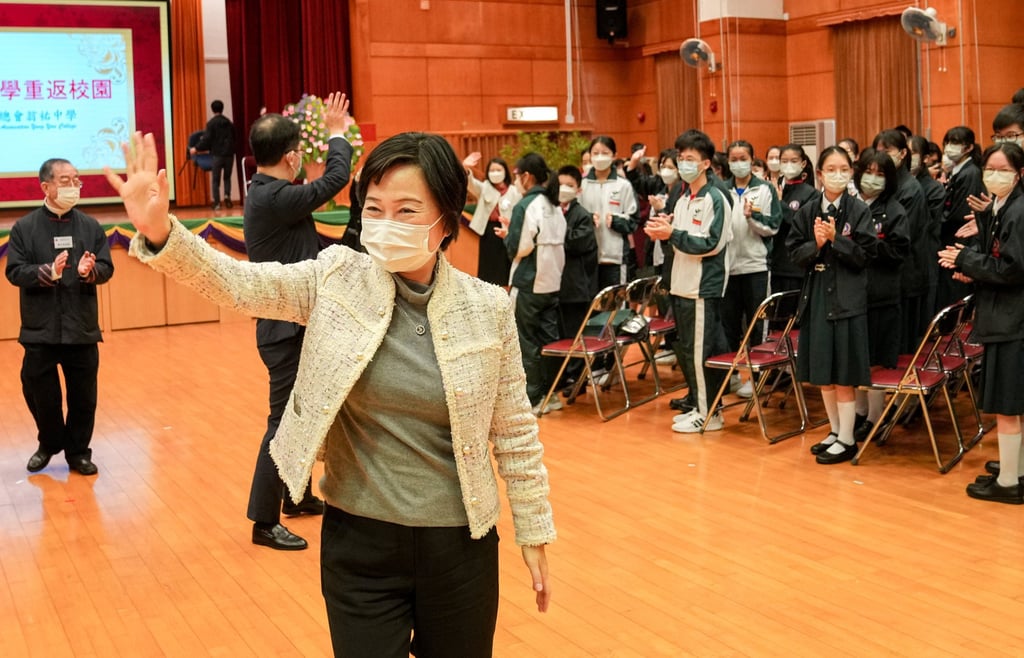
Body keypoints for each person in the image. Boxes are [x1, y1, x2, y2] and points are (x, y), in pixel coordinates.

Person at [106, 130, 554, 656]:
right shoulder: (337, 277)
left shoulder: (487, 308)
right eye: (376, 208)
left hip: (460, 548)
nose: (386, 224)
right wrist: (162, 234)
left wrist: (534, 530)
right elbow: (239, 283)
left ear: (446, 218)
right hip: (360, 546)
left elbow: (515, 431)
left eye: (407, 210)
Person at [242, 92, 354, 551]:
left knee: (305, 412)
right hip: (284, 330)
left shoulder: (267, 192)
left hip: (293, 323)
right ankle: (264, 522)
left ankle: (297, 494)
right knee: (283, 422)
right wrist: (336, 133)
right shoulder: (276, 197)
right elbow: (336, 177)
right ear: (291, 157)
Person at [6, 158, 114, 476]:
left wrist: (88, 271)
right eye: (65, 181)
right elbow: (14, 271)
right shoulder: (24, 228)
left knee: (84, 396)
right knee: (40, 393)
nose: (74, 186)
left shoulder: (90, 227)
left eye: (76, 180)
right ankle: (49, 441)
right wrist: (48, 271)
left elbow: (107, 268)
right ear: (46, 187)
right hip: (40, 328)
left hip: (81, 326)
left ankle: (78, 452)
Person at [938, 142, 1024, 504]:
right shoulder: (1004, 206)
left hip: (1013, 320)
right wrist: (971, 272)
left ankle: (1009, 483)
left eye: (1003, 169)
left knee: (1007, 405)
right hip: (1005, 314)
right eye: (990, 168)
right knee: (1013, 405)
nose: (994, 175)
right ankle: (1014, 469)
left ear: (1019, 173)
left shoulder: (1018, 211)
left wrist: (967, 261)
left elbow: (1013, 269)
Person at [787, 146, 876, 464]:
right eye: (832, 169)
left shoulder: (859, 210)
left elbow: (866, 256)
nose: (838, 174)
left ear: (851, 173)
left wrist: (837, 240)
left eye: (845, 169)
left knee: (843, 374)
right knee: (822, 372)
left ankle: (849, 438)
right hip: (817, 297)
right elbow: (795, 254)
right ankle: (836, 431)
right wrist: (818, 244)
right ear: (820, 174)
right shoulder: (808, 210)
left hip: (847, 299)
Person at [644, 130, 732, 432]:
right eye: (680, 159)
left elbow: (712, 243)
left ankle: (710, 413)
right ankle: (697, 404)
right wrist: (664, 231)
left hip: (702, 286)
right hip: (680, 284)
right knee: (686, 349)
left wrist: (674, 235)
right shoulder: (683, 198)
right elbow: (679, 242)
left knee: (701, 352)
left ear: (706, 163)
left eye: (690, 159)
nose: (683, 164)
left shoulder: (716, 197)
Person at [851, 148, 910, 441]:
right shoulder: (848, 205)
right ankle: (860, 414)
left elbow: (899, 253)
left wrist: (869, 244)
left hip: (881, 295)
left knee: (875, 359)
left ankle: (876, 417)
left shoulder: (894, 210)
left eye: (880, 174)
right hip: (852, 296)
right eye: (868, 172)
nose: (872, 179)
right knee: (856, 359)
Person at [502, 153, 567, 415]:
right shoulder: (554, 205)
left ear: (526, 177)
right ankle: (551, 395)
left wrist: (508, 238)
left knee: (525, 341)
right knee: (548, 342)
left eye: (517, 176)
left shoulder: (526, 206)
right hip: (552, 283)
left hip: (529, 284)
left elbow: (518, 248)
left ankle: (534, 397)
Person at [722, 139, 782, 399]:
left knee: (758, 327)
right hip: (728, 269)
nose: (738, 163)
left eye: (743, 157)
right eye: (733, 158)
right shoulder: (721, 190)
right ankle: (732, 375)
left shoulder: (764, 189)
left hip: (756, 267)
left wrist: (751, 216)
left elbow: (773, 226)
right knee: (728, 327)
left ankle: (758, 378)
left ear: (752, 159)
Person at [554, 164, 598, 392]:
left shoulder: (581, 215)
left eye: (569, 185)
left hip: (576, 286)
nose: (564, 189)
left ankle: (578, 379)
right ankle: (563, 376)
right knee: (561, 334)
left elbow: (577, 243)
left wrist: (557, 231)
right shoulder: (552, 210)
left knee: (576, 334)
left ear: (578, 190)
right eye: (560, 184)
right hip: (557, 284)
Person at [580, 136, 639, 288]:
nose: (599, 157)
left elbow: (634, 221)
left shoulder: (623, 185)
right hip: (588, 258)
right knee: (592, 306)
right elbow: (574, 217)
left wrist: (616, 221)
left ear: (614, 155)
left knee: (616, 306)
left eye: (605, 153)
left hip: (615, 257)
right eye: (595, 153)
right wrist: (588, 219)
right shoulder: (582, 185)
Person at [938, 126, 983, 308]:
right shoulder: (958, 171)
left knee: (957, 292)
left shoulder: (970, 172)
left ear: (969, 147)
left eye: (955, 143)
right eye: (948, 142)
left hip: (960, 237)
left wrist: (937, 222)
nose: (950, 147)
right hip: (952, 236)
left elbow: (961, 212)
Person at [462, 152, 521, 286]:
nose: (495, 173)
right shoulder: (484, 188)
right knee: (488, 268)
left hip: (507, 231)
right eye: (492, 170)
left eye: (498, 170)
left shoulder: (514, 191)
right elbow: (470, 183)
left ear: (505, 172)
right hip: (488, 231)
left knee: (507, 266)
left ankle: (507, 295)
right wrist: (465, 167)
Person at [769, 144, 818, 294]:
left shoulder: (811, 193)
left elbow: (801, 223)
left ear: (803, 164)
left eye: (793, 160)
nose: (788, 165)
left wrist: (780, 203)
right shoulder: (775, 188)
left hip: (797, 267)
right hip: (776, 264)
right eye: (784, 161)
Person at [191, 99, 236, 210]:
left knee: (216, 180)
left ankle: (216, 203)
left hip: (217, 155)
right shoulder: (229, 123)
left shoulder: (211, 124)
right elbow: (235, 138)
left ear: (212, 109)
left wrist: (196, 148)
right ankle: (227, 195)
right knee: (227, 177)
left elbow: (206, 139)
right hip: (229, 154)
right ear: (222, 108)